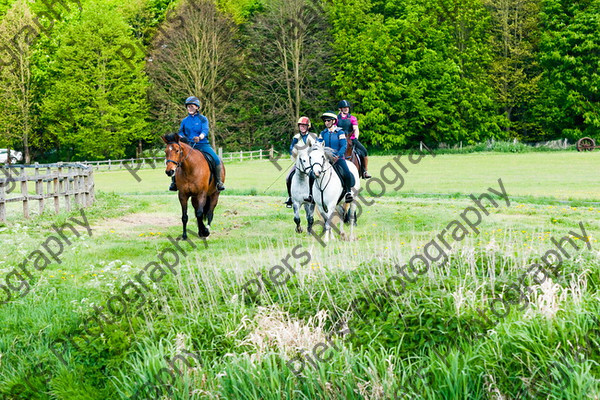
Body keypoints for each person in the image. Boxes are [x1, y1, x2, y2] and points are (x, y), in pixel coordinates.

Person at [169, 96, 225, 191]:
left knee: (216, 159)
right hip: (188, 146)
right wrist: (182, 137)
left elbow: (205, 130)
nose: (190, 108)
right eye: (188, 107)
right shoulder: (184, 121)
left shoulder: (203, 119)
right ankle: (174, 183)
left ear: (197, 107)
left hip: (202, 144)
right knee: (176, 160)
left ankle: (219, 182)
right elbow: (180, 132)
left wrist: (200, 137)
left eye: (192, 106)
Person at [305, 111, 355, 204]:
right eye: (325, 121)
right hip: (326, 159)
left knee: (347, 173)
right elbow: (318, 144)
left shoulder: (340, 132)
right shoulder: (323, 133)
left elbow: (343, 145)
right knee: (312, 174)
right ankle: (311, 195)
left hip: (338, 158)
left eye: (328, 121)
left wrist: (338, 155)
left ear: (333, 121)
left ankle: (348, 193)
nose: (326, 123)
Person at [284, 116, 317, 207]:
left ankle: (314, 196)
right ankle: (290, 197)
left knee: (314, 176)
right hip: (299, 162)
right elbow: (291, 147)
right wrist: (294, 153)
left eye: (304, 125)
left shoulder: (313, 136)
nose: (302, 127)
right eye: (301, 125)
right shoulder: (296, 137)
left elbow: (315, 148)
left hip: (310, 162)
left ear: (308, 126)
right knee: (288, 177)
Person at [337, 100, 371, 179]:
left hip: (351, 139)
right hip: (339, 139)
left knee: (364, 151)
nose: (346, 109)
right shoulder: (336, 119)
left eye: (347, 107)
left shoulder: (352, 118)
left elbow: (356, 129)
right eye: (344, 108)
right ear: (340, 109)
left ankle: (365, 171)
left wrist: (355, 137)